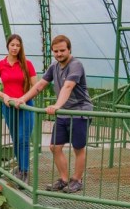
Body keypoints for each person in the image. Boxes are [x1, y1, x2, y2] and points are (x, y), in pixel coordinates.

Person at [16, 34, 92, 193]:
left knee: (78, 148)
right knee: (54, 147)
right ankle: (64, 179)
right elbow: (40, 85)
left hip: (79, 112)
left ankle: (77, 180)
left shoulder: (76, 65)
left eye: (62, 50)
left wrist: (57, 105)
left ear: (69, 49)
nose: (59, 54)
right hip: (63, 112)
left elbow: (68, 87)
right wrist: (22, 99)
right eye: (56, 51)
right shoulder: (54, 66)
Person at [0, 34, 38, 182]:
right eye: (13, 45)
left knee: (24, 139)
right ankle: (21, 167)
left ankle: (24, 171)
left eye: (18, 45)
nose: (15, 48)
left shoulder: (27, 64)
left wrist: (23, 99)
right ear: (8, 46)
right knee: (16, 139)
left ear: (21, 47)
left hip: (25, 105)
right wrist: (4, 96)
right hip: (9, 106)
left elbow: (35, 86)